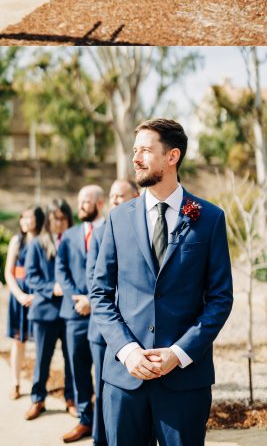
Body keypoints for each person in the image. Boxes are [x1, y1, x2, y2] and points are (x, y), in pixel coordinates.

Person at [91, 118, 233, 446]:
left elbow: (220, 298)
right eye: (134, 151)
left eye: (145, 150)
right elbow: (100, 292)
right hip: (124, 379)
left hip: (184, 380)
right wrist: (127, 351)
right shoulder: (117, 218)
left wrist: (179, 353)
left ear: (172, 157)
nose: (136, 158)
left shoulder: (210, 219)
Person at [86, 179, 139, 446]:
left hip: (141, 332)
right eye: (112, 196)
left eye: (121, 195)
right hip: (104, 330)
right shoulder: (102, 232)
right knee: (104, 389)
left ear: (136, 196)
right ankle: (99, 437)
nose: (115, 200)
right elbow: (95, 281)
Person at [56, 184, 105, 443]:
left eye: (85, 200)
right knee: (78, 368)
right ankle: (85, 419)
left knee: (103, 372)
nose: (80, 205)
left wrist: (92, 300)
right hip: (74, 312)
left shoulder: (111, 230)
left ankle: (104, 424)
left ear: (99, 203)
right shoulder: (70, 235)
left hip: (102, 314)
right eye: (79, 200)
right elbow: (61, 268)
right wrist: (76, 296)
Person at [24, 199, 76, 421]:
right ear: (48, 219)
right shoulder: (37, 243)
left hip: (69, 312)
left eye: (64, 218)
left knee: (72, 360)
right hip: (44, 312)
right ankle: (37, 399)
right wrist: (50, 288)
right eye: (56, 217)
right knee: (42, 360)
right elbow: (31, 276)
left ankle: (71, 399)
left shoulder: (73, 241)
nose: (60, 222)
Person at [5, 206, 45, 400]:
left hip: (38, 297)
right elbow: (8, 273)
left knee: (40, 343)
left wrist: (38, 296)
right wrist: (19, 295)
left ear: (38, 219)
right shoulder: (16, 241)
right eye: (23, 218)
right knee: (18, 341)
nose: (25, 221)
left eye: (29, 218)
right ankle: (16, 383)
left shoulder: (43, 241)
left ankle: (39, 386)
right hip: (19, 297)